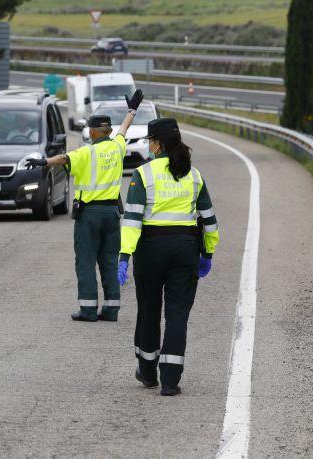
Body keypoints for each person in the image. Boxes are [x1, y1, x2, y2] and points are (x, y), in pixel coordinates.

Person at [117, 118, 220, 396]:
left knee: (149, 310)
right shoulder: (194, 175)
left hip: (150, 249)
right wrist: (207, 253)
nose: (148, 146)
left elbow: (132, 220)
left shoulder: (144, 174)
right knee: (177, 315)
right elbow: (209, 220)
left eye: (150, 141)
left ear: (158, 143)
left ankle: (148, 373)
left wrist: (125, 255)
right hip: (185, 249)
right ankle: (171, 380)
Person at [27, 89, 144, 322]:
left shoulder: (86, 152)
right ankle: (111, 309)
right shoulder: (117, 146)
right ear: (107, 131)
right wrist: (132, 111)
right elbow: (124, 130)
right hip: (112, 213)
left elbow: (64, 159)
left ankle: (89, 309)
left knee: (86, 261)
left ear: (91, 132)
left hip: (89, 214)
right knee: (109, 260)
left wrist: (43, 161)